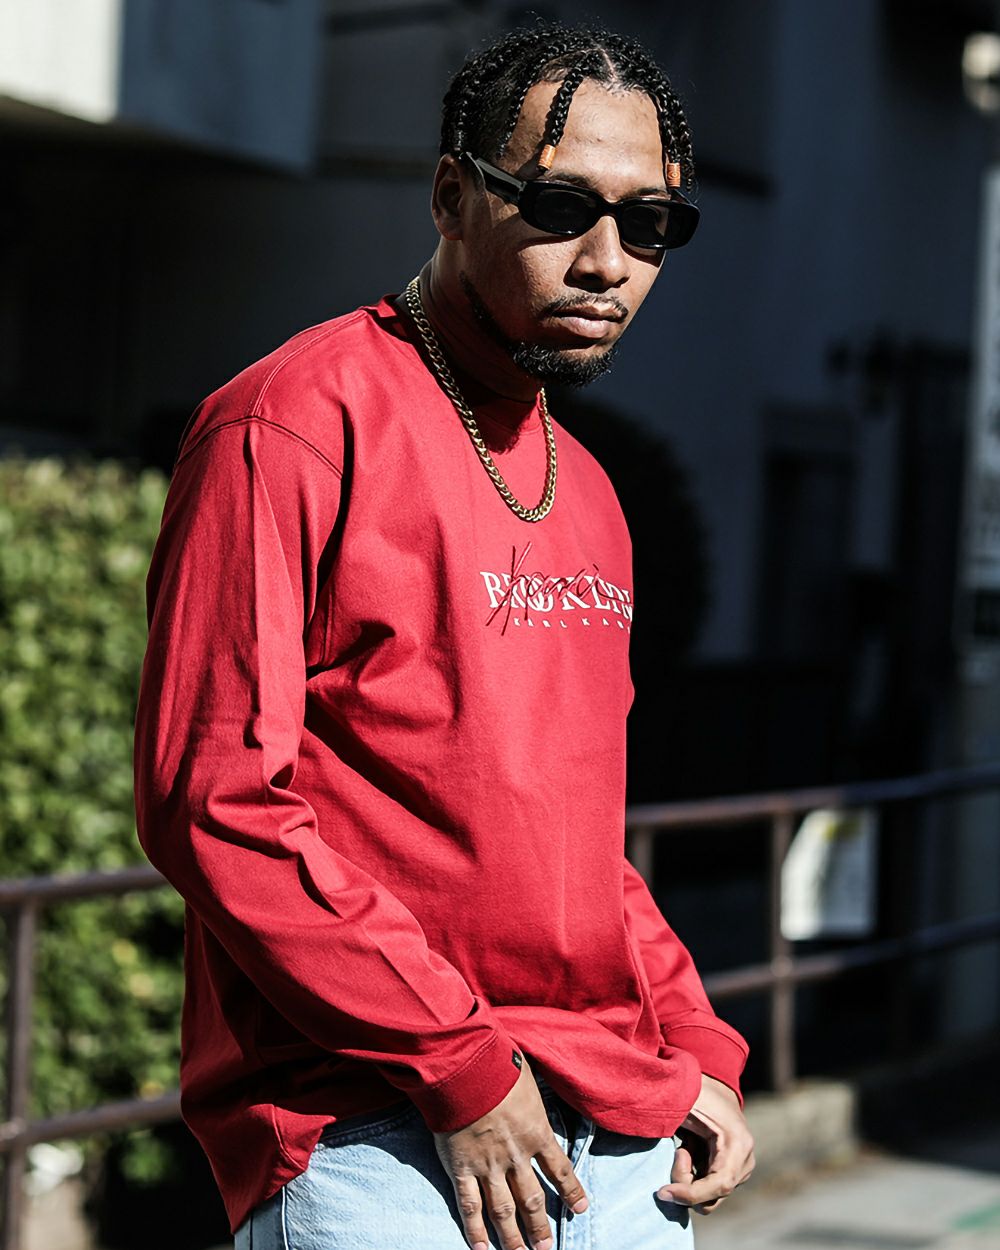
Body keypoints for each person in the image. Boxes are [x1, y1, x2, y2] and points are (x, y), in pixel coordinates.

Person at [134, 19, 755, 1250]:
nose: (606, 261)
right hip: (382, 1132)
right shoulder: (285, 426)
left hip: (620, 1143)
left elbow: (577, 845)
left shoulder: (591, 491)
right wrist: (458, 1066)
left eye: (649, 225)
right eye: (561, 207)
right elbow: (214, 799)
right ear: (450, 197)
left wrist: (695, 1042)